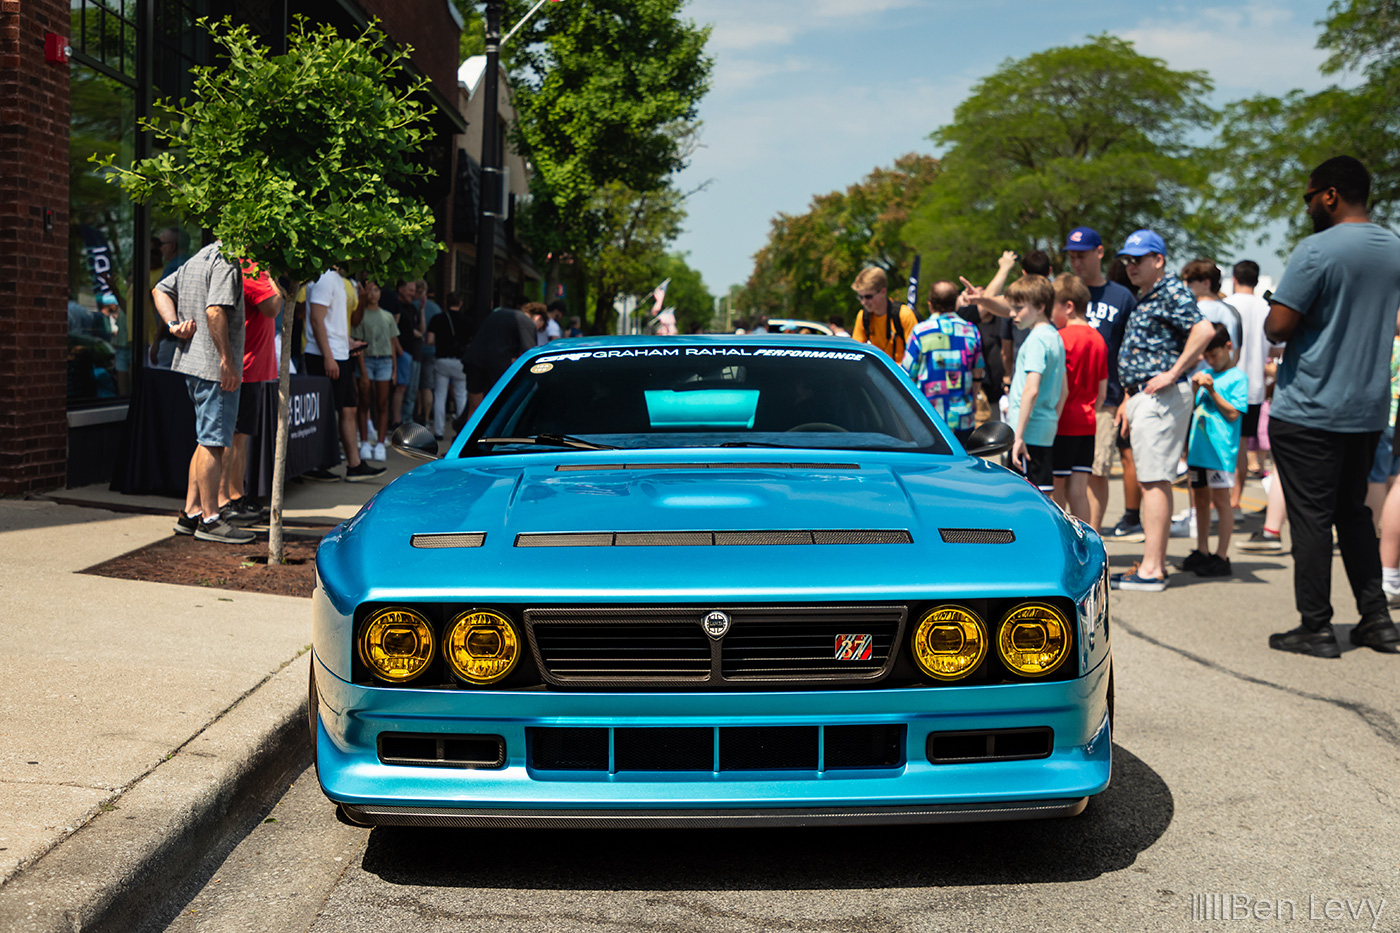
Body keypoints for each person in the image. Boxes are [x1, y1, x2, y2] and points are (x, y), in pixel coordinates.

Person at [1264, 155, 1400, 657]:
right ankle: (1377, 620)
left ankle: (1316, 626)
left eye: (1309, 198)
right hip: (1367, 408)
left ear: (1330, 195)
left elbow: (1278, 327)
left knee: (1312, 519)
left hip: (1309, 409)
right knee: (1355, 514)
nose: (1307, 208)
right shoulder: (1394, 248)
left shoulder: (1316, 251)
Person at [1110, 230, 1216, 592]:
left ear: (1158, 260)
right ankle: (1152, 563)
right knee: (1150, 478)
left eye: (1138, 260)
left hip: (1162, 396)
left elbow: (1204, 330)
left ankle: (1153, 568)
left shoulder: (1170, 290)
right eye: (1127, 260)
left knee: (1154, 480)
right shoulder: (1149, 294)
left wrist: (1172, 372)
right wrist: (1130, 397)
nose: (1130, 266)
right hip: (1146, 396)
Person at [152, 240, 255, 544]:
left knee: (205, 440)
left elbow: (159, 290)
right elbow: (214, 311)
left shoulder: (199, 256)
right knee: (213, 443)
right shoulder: (226, 260)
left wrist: (172, 325)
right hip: (213, 368)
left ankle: (191, 512)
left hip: (192, 362)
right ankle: (210, 520)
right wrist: (227, 361)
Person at [1064, 227, 1139, 536]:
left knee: (1095, 471)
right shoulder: (1064, 290)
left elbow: (1130, 351)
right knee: (1063, 476)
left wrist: (1126, 397)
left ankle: (1092, 539)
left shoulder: (1121, 297)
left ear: (1099, 252)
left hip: (1104, 400)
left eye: (1081, 255)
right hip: (1063, 401)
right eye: (1071, 256)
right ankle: (1068, 536)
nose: (1076, 262)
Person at [302, 268, 384, 482]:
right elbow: (317, 320)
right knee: (324, 412)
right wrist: (328, 356)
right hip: (324, 355)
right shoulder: (324, 278)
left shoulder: (340, 280)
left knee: (349, 409)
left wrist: (348, 343)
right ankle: (315, 464)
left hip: (341, 353)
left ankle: (355, 465)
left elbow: (334, 324)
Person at [1182, 324, 1249, 578]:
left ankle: (1222, 555)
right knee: (1199, 500)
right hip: (1199, 449)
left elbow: (1233, 413)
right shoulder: (1206, 373)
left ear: (1228, 347)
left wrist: (1211, 390)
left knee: (1221, 502)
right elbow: (1192, 408)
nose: (1211, 360)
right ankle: (1202, 549)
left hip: (1221, 453)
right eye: (1207, 356)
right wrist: (1196, 389)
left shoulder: (1237, 378)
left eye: (1215, 354)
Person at [218, 262, 283, 523]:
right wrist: (277, 279)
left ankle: (236, 495)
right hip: (242, 366)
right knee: (230, 438)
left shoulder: (258, 271)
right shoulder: (252, 271)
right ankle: (223, 500)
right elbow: (273, 307)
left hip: (252, 367)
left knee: (240, 437)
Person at [1051, 273, 1107, 521]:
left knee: (1056, 490)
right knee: (1079, 491)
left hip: (1061, 422)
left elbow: (1055, 388)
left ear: (1068, 306)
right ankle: (1086, 543)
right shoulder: (1099, 339)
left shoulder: (1059, 338)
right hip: (1088, 422)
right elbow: (1103, 392)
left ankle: (1062, 546)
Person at [902, 280, 984, 443]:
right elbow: (978, 372)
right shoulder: (971, 330)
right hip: (963, 417)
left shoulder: (920, 331)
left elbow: (907, 373)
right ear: (955, 303)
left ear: (930, 304)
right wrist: (972, 399)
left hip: (929, 418)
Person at [1004, 275, 1065, 495]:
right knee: (1043, 494)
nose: (1012, 314)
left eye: (1019, 308)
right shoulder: (1055, 336)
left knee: (1024, 499)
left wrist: (1018, 436)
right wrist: (1050, 419)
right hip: (1043, 426)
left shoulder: (1037, 340)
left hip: (1027, 433)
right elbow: (1063, 390)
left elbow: (1032, 389)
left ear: (1040, 306)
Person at [1225, 260, 1273, 501]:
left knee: (1223, 446)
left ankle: (1220, 503)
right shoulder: (1267, 308)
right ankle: (1235, 502)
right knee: (1242, 446)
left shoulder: (1226, 305)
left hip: (1225, 386)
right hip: (1254, 387)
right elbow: (1278, 349)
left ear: (1234, 278)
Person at [456, 305, 538, 429]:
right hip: (497, 363)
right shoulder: (526, 322)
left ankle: (467, 439)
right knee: (500, 406)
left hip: (474, 359)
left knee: (474, 408)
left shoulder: (499, 314)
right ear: (538, 318)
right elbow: (530, 353)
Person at [350, 279, 400, 462]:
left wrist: (395, 369)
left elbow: (393, 344)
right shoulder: (360, 316)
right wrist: (362, 371)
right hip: (367, 359)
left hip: (385, 361)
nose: (373, 294)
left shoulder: (387, 316)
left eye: (377, 290)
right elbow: (358, 345)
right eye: (370, 290)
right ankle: (364, 441)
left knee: (382, 403)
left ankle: (380, 443)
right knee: (363, 400)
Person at [850, 267, 919, 365]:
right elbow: (857, 353)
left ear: (883, 292)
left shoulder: (904, 314)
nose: (863, 302)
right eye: (860, 297)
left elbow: (916, 354)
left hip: (903, 374)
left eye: (868, 297)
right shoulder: (863, 316)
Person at [427, 291, 472, 440]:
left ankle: (438, 431)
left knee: (440, 396)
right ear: (460, 303)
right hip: (460, 361)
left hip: (442, 360)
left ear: (446, 303)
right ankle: (461, 431)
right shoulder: (467, 321)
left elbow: (429, 340)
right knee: (461, 395)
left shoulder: (437, 319)